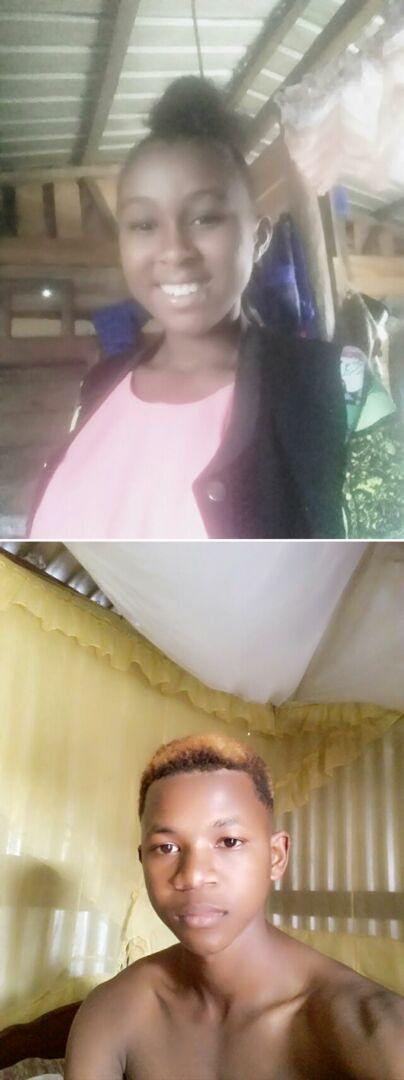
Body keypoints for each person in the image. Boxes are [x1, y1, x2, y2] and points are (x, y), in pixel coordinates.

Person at [29, 76, 346, 540]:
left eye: (204, 218)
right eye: (143, 224)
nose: (174, 250)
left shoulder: (334, 386)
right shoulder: (99, 386)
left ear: (258, 238)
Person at [65, 733, 404, 1080]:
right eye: (166, 848)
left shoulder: (376, 1033)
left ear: (276, 857)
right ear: (143, 859)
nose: (193, 875)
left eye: (229, 842)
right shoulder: (112, 1010)